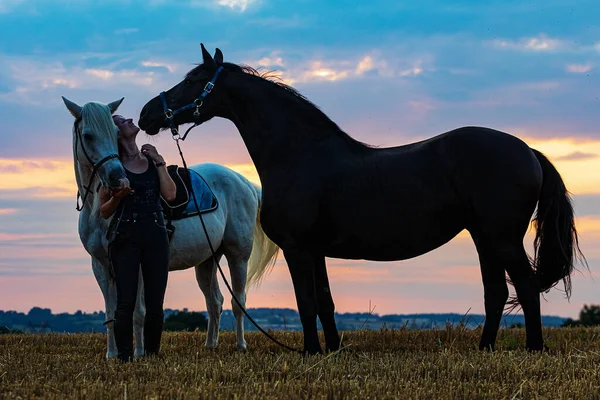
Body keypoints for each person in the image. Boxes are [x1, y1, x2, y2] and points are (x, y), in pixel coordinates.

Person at [100, 114, 176, 363]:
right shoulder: (114, 168)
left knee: (156, 303)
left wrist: (160, 161)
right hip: (126, 237)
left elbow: (170, 194)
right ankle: (124, 357)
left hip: (156, 235)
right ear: (117, 134)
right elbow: (103, 211)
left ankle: (152, 356)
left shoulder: (151, 161)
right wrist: (117, 197)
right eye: (122, 121)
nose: (130, 119)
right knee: (126, 302)